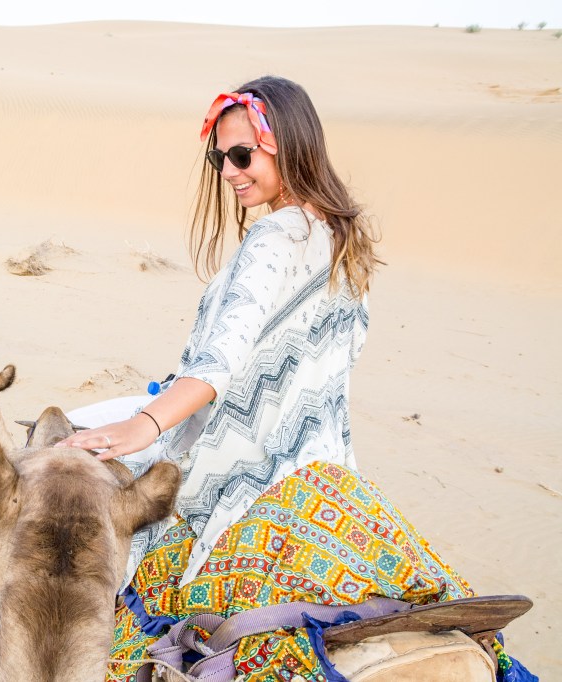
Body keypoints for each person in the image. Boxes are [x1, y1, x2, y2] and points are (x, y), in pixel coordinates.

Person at [56, 76, 534, 681]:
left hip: (241, 480)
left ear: (289, 147)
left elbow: (219, 363)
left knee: (117, 591)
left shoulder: (273, 237)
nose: (228, 171)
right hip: (328, 472)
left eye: (242, 155)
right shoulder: (340, 238)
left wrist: (142, 424)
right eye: (218, 156)